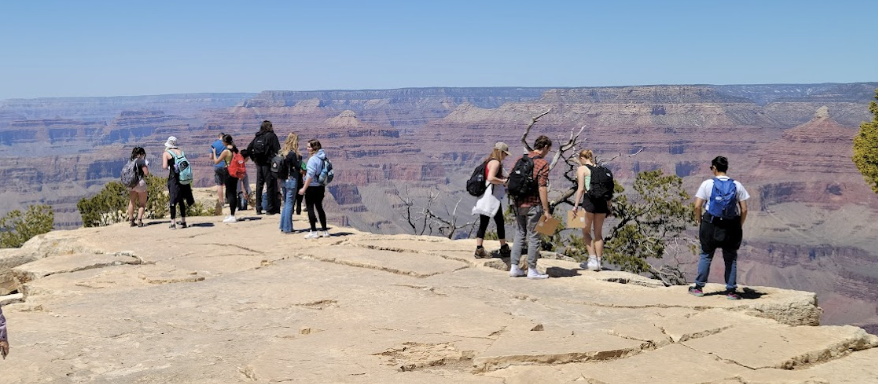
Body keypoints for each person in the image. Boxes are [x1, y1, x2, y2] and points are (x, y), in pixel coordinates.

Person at [689, 156, 750, 300]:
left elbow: (697, 206)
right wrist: (738, 224)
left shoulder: (707, 184)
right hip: (731, 226)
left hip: (710, 225)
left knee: (706, 255)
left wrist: (699, 220)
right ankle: (731, 291)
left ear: (715, 168)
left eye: (711, 168)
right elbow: (744, 209)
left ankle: (698, 288)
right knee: (730, 258)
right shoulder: (737, 185)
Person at [509, 135, 552, 279]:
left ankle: (514, 267)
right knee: (534, 236)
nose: (548, 152)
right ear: (545, 147)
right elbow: (542, 187)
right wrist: (546, 210)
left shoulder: (520, 160)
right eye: (548, 150)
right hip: (533, 205)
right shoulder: (542, 163)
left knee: (520, 233)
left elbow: (509, 180)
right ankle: (532, 270)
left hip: (518, 203)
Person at [572, 150, 612, 271]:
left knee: (585, 232)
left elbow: (580, 189)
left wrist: (575, 206)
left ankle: (592, 260)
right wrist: (609, 207)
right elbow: (608, 192)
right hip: (602, 204)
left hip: (589, 202)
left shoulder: (582, 169)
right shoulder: (602, 170)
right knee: (598, 234)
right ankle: (599, 263)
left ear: (582, 158)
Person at [472, 142, 512, 259]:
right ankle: (503, 248)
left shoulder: (488, 161)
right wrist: (504, 181)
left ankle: (479, 249)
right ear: (501, 152)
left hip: (486, 197)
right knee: (500, 222)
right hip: (491, 198)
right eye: (505, 154)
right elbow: (491, 178)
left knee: (484, 223)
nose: (505, 156)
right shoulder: (495, 162)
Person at [247, 120, 281, 215]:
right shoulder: (272, 136)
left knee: (259, 185)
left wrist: (254, 159)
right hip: (268, 164)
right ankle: (270, 209)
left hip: (259, 164)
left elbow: (249, 149)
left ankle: (258, 208)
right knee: (270, 185)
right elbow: (278, 150)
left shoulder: (258, 136)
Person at [299, 139, 329, 239]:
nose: (307, 149)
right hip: (321, 187)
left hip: (312, 187)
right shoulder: (323, 157)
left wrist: (304, 188)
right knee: (319, 207)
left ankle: (313, 231)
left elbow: (310, 176)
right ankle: (325, 231)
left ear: (314, 148)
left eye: (309, 147)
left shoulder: (312, 159)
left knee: (310, 208)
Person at [163, 136, 194, 229]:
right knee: (181, 200)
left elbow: (164, 166)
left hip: (174, 178)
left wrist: (169, 166)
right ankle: (183, 222)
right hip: (183, 178)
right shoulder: (181, 151)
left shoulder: (166, 153)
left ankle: (173, 223)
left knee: (173, 200)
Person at [214, 134, 241, 223]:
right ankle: (232, 214)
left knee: (230, 194)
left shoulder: (226, 151)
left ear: (225, 142)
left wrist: (214, 153)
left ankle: (232, 216)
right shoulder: (235, 149)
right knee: (233, 192)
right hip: (235, 172)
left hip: (229, 172)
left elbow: (216, 161)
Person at [279, 133, 300, 233]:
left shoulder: (282, 152)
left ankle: (283, 226)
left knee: (285, 203)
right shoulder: (292, 154)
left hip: (283, 180)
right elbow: (297, 166)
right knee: (289, 204)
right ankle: (288, 228)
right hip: (291, 180)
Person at [126, 147, 150, 227]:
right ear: (140, 154)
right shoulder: (141, 161)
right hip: (140, 183)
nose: (144, 156)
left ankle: (131, 220)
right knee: (142, 203)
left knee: (132, 202)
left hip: (131, 184)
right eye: (143, 154)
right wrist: (146, 165)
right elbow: (146, 173)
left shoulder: (130, 161)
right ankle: (139, 220)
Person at [210, 132, 226, 206]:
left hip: (218, 166)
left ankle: (221, 201)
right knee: (228, 184)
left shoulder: (214, 144)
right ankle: (229, 199)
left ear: (218, 137)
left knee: (219, 184)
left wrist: (216, 156)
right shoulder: (227, 144)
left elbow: (211, 157)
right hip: (226, 166)